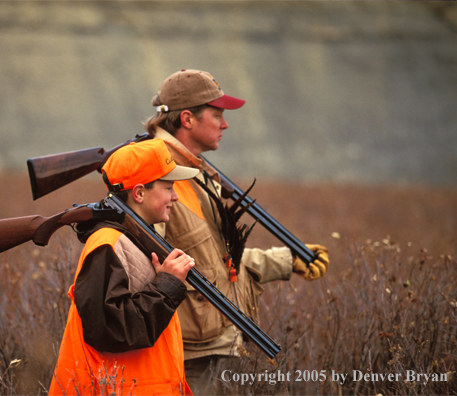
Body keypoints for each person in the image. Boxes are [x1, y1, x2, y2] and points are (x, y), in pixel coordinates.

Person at [144, 69, 330, 394]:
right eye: (217, 115)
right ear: (187, 119)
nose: (225, 124)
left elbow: (214, 262)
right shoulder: (159, 174)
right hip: (183, 350)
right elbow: (147, 267)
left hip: (206, 342)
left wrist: (286, 261)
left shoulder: (195, 173)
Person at [49, 139, 200, 396]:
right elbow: (109, 328)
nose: (175, 196)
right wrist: (166, 285)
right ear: (139, 193)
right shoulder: (107, 243)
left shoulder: (135, 239)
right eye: (168, 187)